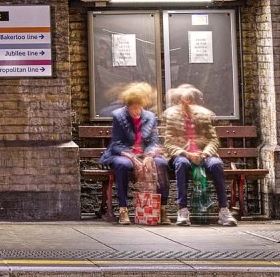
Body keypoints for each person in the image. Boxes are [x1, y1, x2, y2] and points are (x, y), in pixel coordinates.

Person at [162, 84, 237, 226]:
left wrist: (205, 153)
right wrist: (186, 153)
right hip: (182, 155)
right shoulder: (172, 117)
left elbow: (213, 139)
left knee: (216, 165)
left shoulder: (204, 117)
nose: (186, 103)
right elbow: (169, 143)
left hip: (203, 154)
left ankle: (223, 210)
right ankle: (182, 210)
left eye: (189, 100)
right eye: (183, 100)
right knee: (182, 164)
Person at [100, 82, 170, 225]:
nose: (136, 111)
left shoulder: (150, 117)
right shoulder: (119, 116)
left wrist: (149, 155)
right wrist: (132, 157)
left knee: (161, 163)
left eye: (139, 107)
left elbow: (154, 141)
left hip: (145, 154)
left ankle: (162, 208)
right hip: (124, 154)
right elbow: (116, 144)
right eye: (133, 108)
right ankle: (123, 209)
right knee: (122, 165)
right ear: (128, 106)